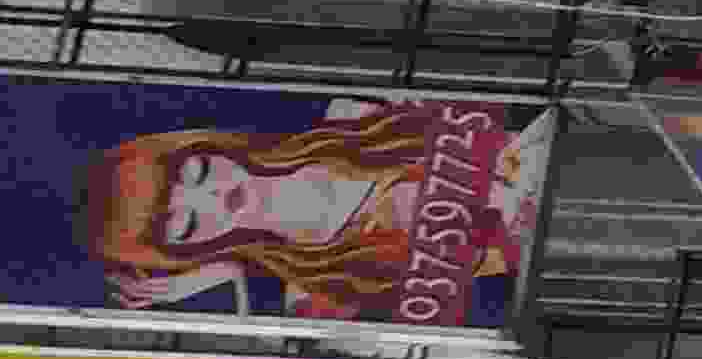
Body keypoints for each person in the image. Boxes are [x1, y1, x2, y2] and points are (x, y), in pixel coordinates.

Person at [70, 97, 543, 317]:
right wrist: (228, 274)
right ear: (189, 250)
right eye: (188, 223)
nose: (217, 196)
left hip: (557, 155)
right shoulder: (318, 292)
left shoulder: (354, 115)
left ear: (204, 146)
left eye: (198, 172)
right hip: (558, 256)